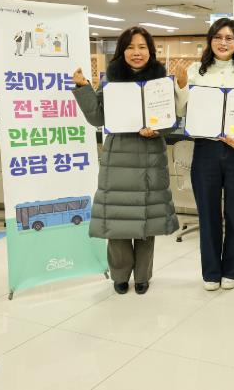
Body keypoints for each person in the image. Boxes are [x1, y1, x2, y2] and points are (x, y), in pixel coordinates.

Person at [72, 26, 179, 295]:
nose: (136, 52)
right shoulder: (111, 79)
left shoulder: (160, 80)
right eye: (130, 47)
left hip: (150, 157)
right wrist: (83, 88)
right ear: (122, 51)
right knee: (116, 221)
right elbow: (97, 118)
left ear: (150, 51)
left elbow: (170, 120)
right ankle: (120, 275)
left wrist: (158, 129)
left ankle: (143, 276)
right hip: (118, 157)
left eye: (142, 47)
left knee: (147, 221)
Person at [172, 18, 234, 291]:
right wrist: (182, 83)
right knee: (208, 213)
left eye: (229, 38)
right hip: (205, 149)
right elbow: (181, 111)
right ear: (210, 40)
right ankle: (211, 272)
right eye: (218, 37)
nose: (223, 42)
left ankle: (233, 270)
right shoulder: (195, 71)